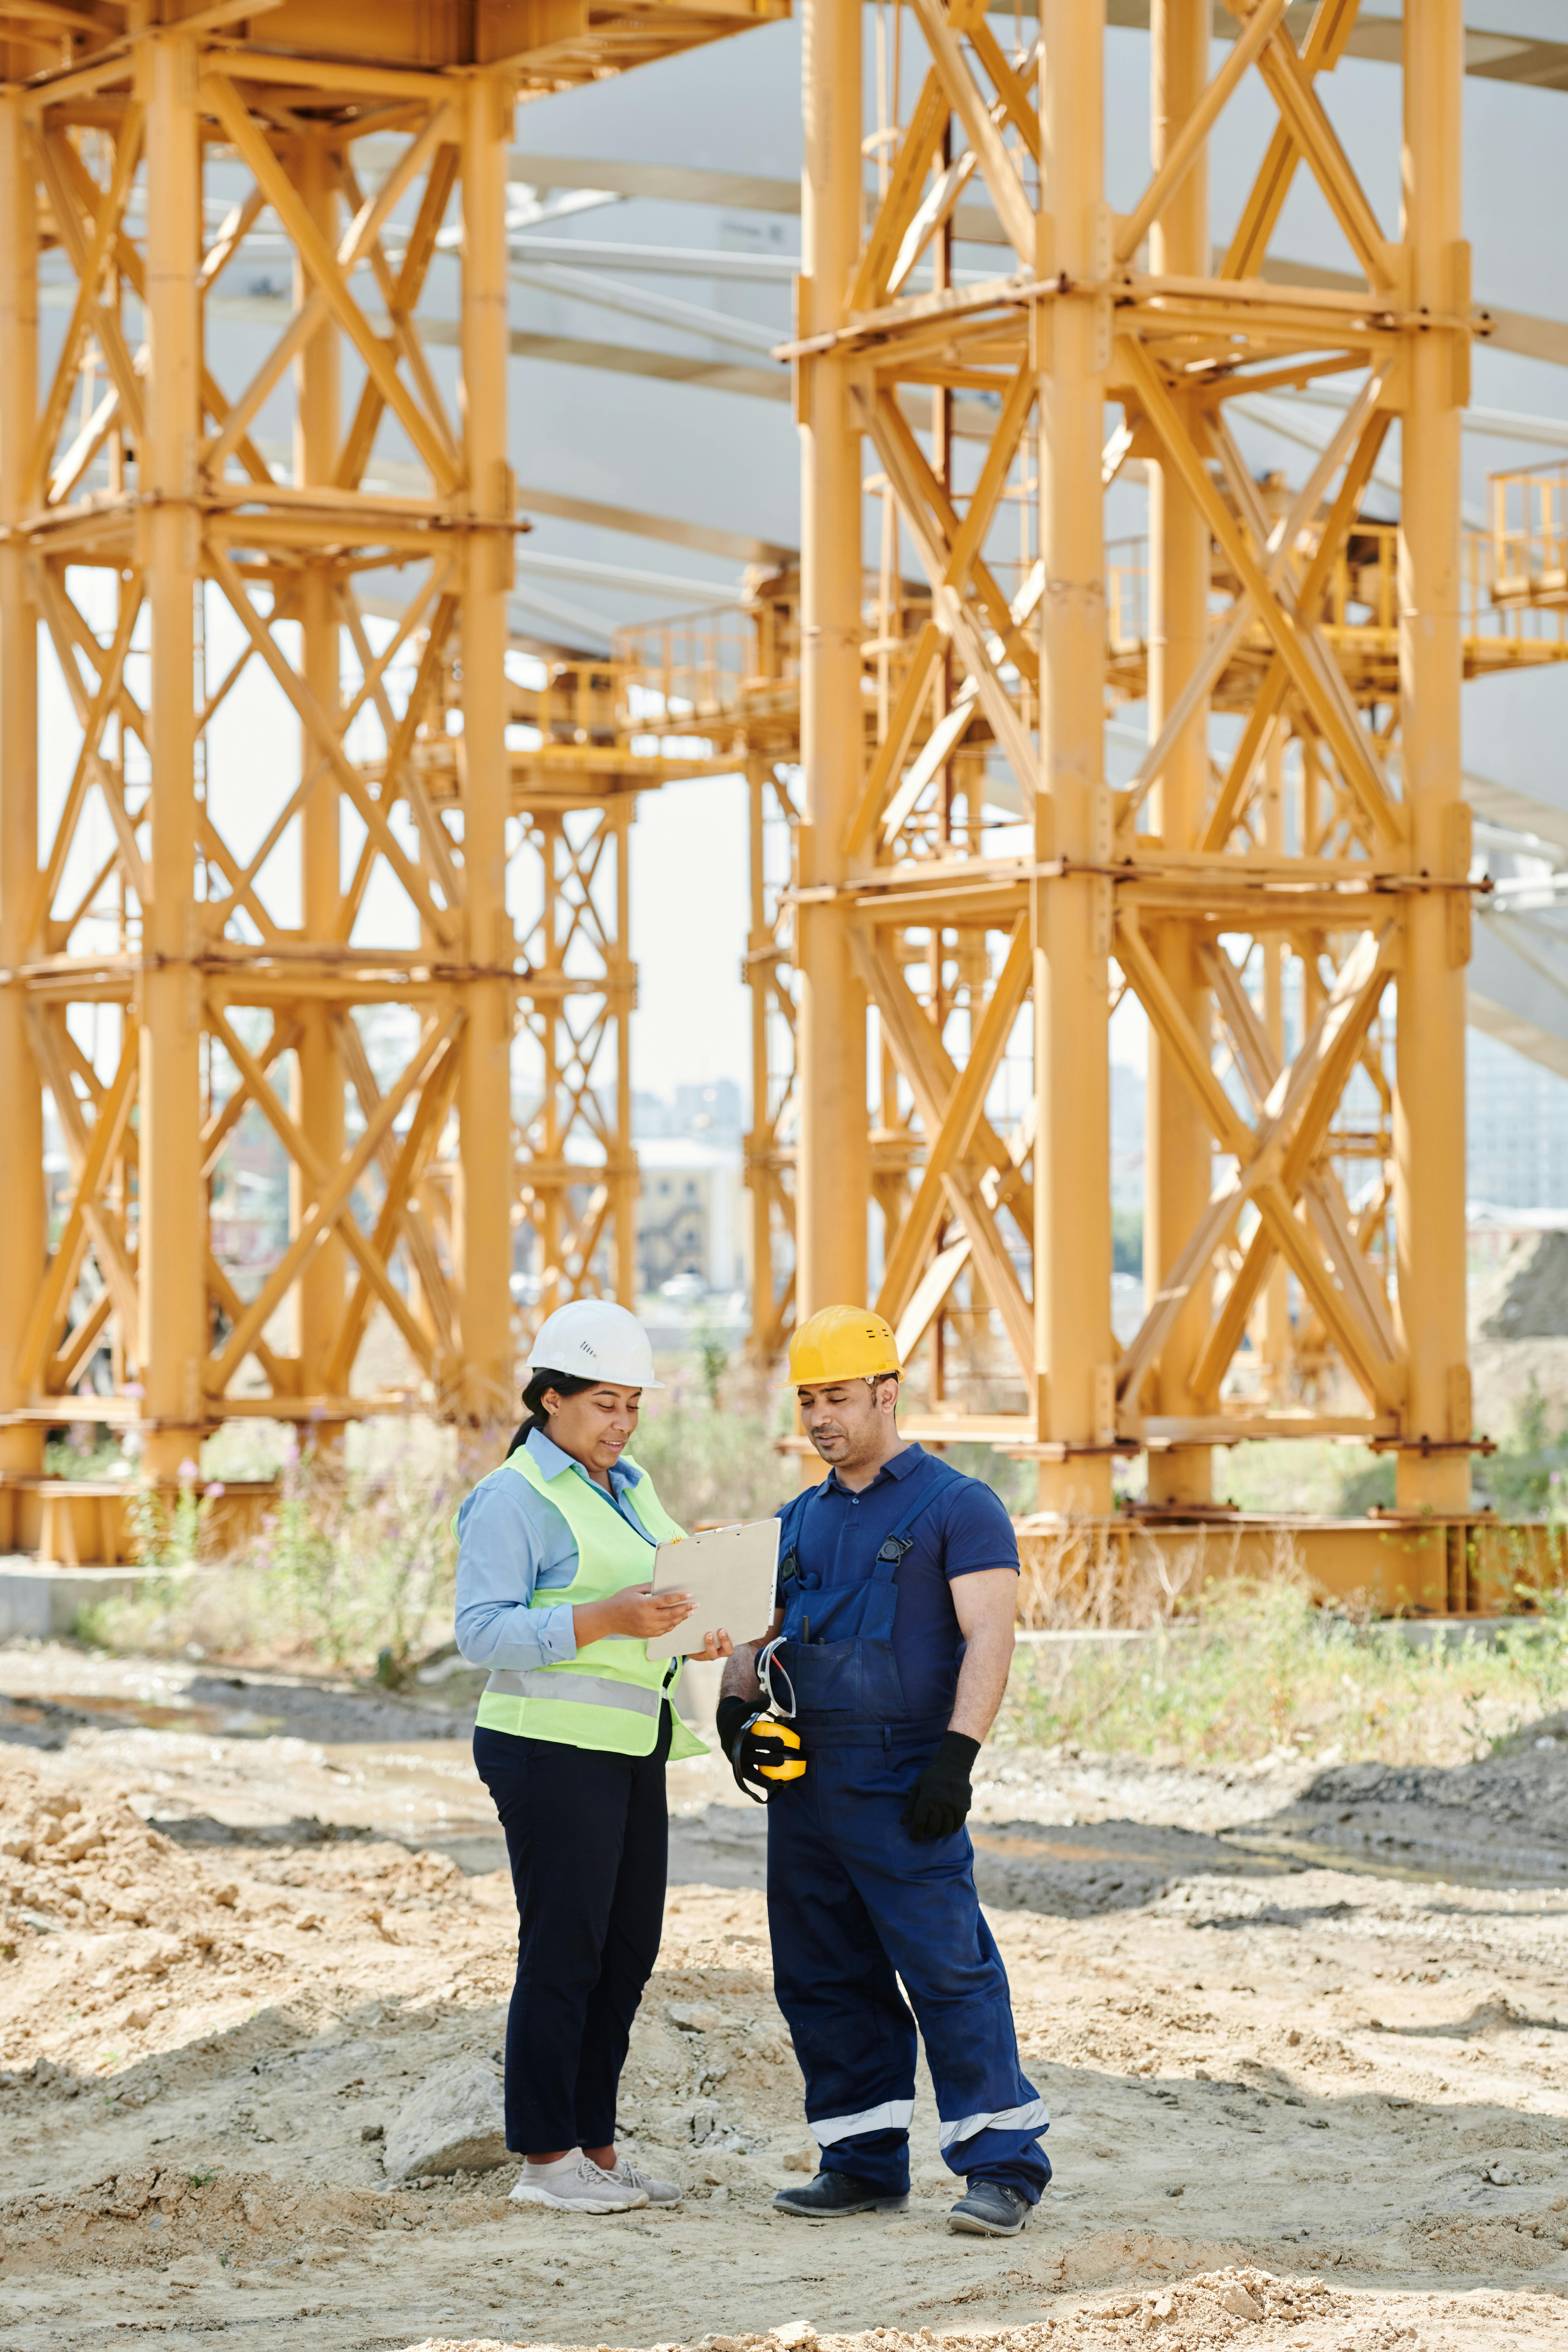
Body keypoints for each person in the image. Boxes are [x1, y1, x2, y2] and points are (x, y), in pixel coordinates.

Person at [717, 1305, 1050, 2239]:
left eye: (838, 1397)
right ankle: (860, 2159)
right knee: (824, 1973)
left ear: (887, 1392)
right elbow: (752, 1635)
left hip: (908, 1778)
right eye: (809, 1399)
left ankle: (1004, 2167)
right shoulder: (795, 1519)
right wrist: (737, 1711)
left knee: (949, 1969)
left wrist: (958, 1754)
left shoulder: (957, 1505)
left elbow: (992, 1631)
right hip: (808, 1782)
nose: (821, 1417)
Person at [456, 1298, 732, 2216]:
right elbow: (481, 1632)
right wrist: (606, 1618)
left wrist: (692, 1628)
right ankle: (545, 2159)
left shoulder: (630, 1483)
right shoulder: (514, 1497)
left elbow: (664, 1586)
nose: (622, 1422)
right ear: (551, 1400)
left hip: (628, 1743)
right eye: (605, 1403)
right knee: (564, 1952)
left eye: (633, 1406)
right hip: (545, 1748)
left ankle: (595, 2150)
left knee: (624, 1952)